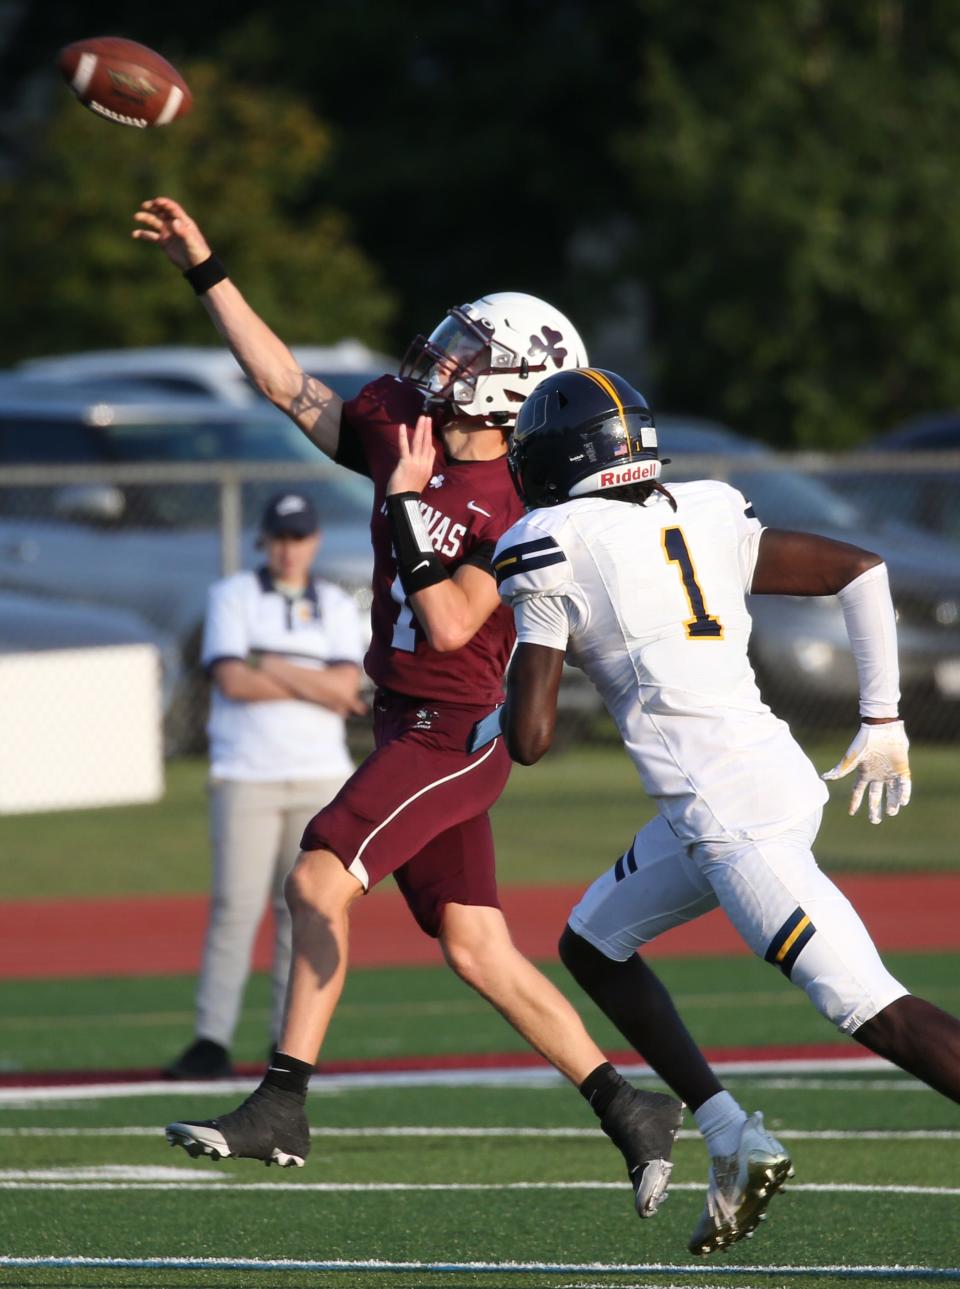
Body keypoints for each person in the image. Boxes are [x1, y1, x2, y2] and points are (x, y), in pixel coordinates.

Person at [133, 198, 683, 1218]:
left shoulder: (522, 499)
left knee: (315, 872)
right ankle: (628, 1107)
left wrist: (398, 502)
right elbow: (289, 388)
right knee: (476, 945)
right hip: (406, 720)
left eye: (474, 350)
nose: (446, 357)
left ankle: (284, 1100)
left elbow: (447, 625)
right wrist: (206, 269)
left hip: (461, 726)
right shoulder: (411, 421)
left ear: (517, 383)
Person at [489, 366, 960, 1256]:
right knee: (592, 942)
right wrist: (883, 716)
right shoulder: (698, 508)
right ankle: (730, 1133)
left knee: (874, 1009)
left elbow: (533, 737)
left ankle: (736, 1133)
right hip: (763, 778)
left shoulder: (548, 541)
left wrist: (525, 655)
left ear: (556, 459)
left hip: (729, 821)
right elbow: (860, 569)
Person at [167, 491, 366, 1080]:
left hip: (319, 775)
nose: (289, 549)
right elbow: (231, 680)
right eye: (280, 537)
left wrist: (267, 661)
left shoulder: (332, 602)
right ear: (264, 541)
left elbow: (348, 691)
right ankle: (211, 1038)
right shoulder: (232, 596)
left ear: (315, 541)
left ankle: (289, 1039)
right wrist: (311, 679)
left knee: (302, 909)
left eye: (299, 536)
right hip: (245, 773)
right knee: (235, 907)